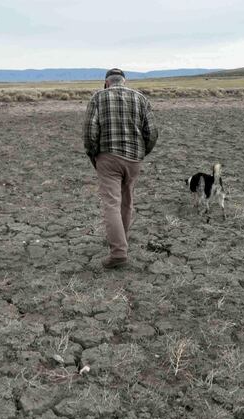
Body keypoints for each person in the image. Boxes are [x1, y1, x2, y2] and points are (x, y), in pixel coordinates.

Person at [83, 68, 158, 269]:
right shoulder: (140, 98)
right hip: (134, 159)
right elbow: (151, 132)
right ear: (124, 81)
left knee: (111, 204)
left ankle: (118, 253)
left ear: (106, 82)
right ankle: (121, 240)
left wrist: (94, 155)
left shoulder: (98, 97)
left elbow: (90, 131)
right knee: (126, 202)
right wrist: (141, 154)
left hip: (108, 157)